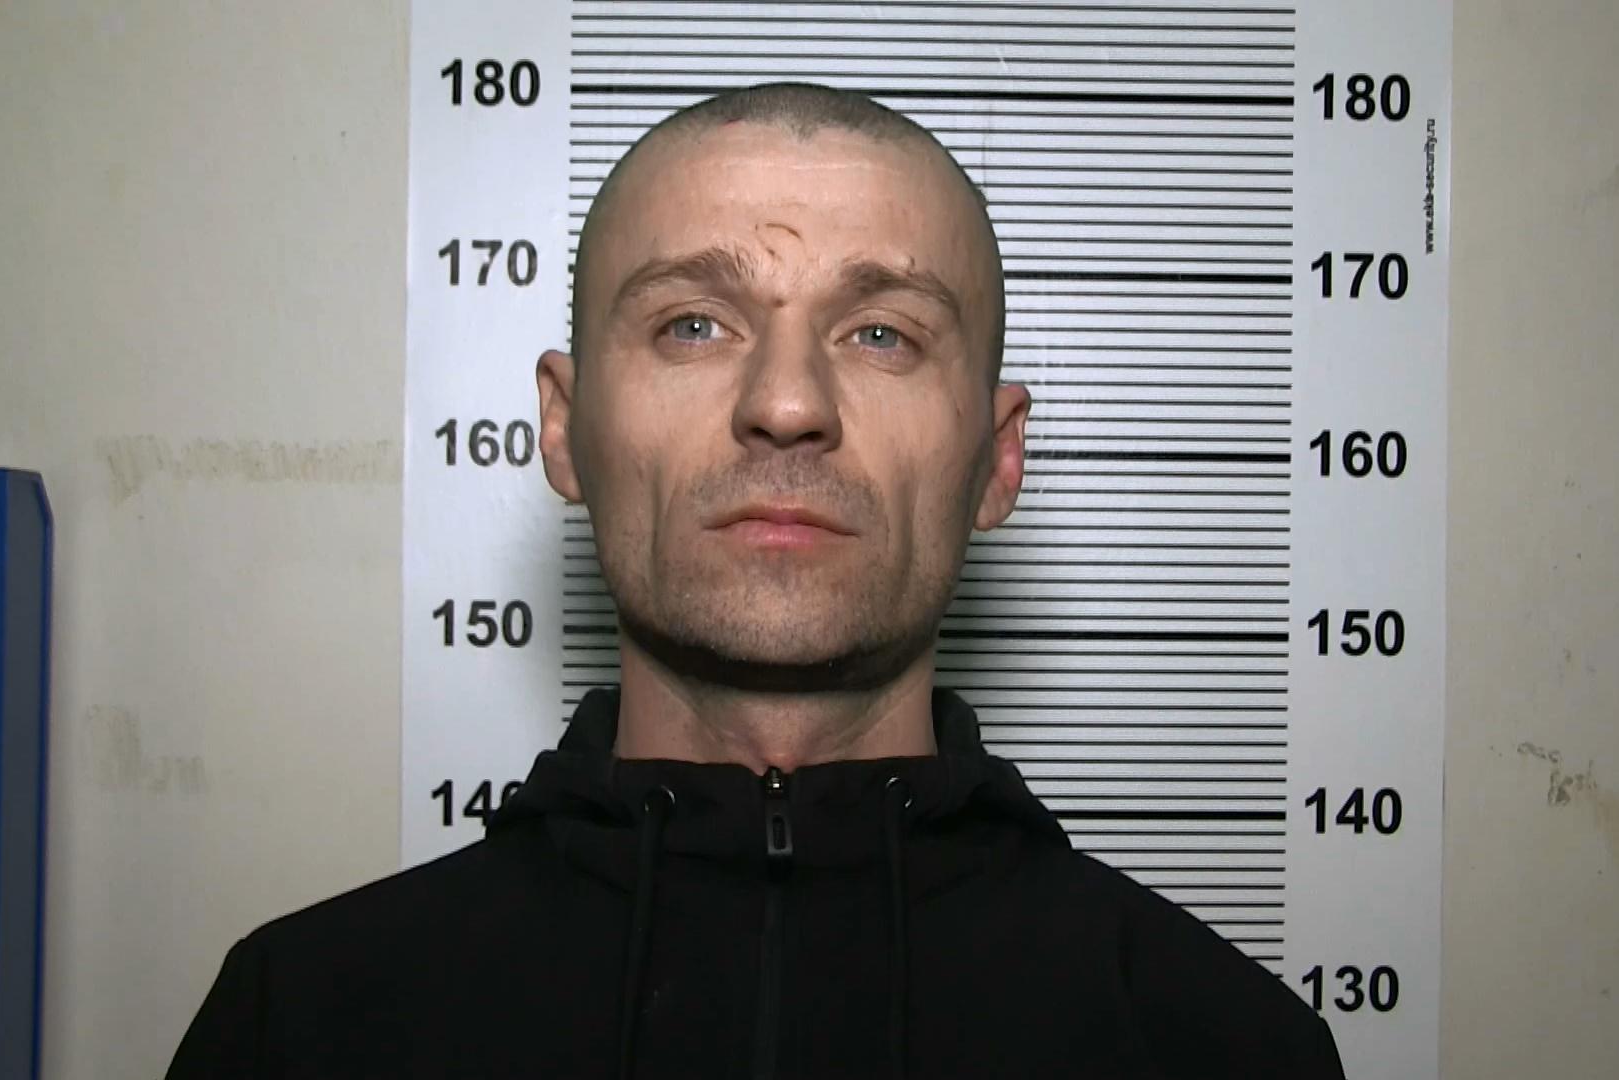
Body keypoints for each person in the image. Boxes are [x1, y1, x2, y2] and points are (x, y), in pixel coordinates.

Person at [167, 82, 1345, 1080]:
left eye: (881, 334)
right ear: (565, 430)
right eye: (693, 324)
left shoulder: (1224, 1048)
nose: (786, 404)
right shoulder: (300, 1026)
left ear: (997, 461)